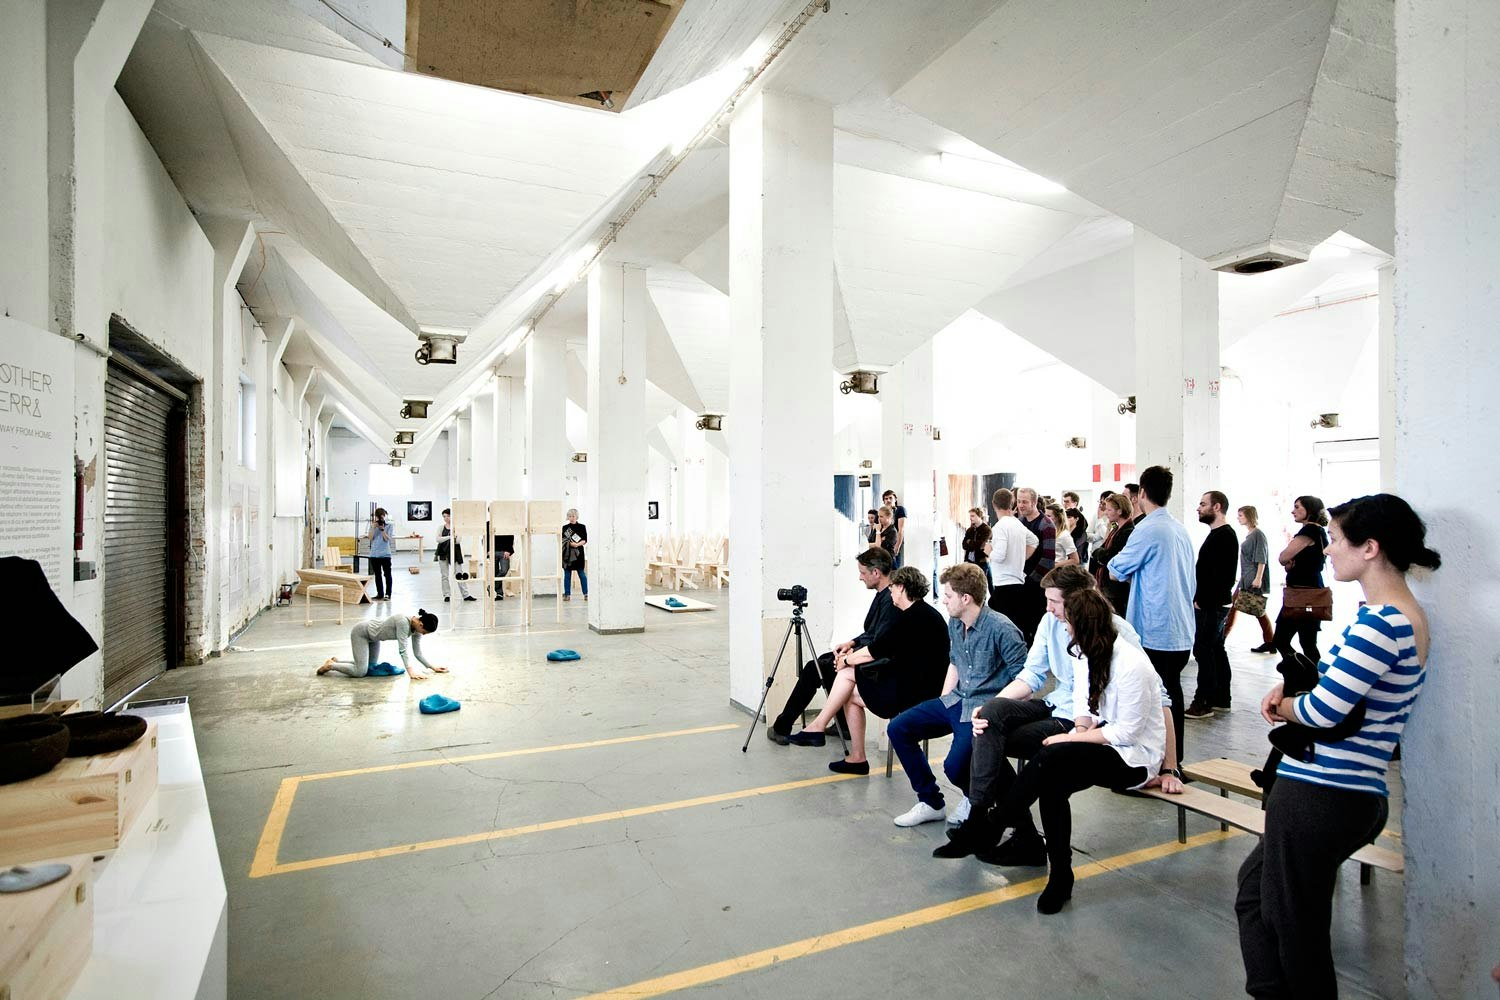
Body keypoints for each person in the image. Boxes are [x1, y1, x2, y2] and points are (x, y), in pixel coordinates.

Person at [1236, 494, 1438, 998]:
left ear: (1370, 548)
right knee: (1257, 896)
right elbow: (1332, 683)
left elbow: (1324, 711)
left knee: (1294, 928)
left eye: (1336, 541)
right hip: (1335, 792)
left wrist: (1287, 707)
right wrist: (1294, 688)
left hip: (1323, 793)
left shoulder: (1384, 622)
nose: (1327, 550)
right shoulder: (1394, 617)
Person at [936, 564, 1183, 865]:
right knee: (992, 717)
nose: (1048, 608)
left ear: (1077, 601)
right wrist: (991, 705)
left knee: (996, 746)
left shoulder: (1115, 632)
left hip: (1083, 721)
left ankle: (1003, 830)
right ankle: (987, 821)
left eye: (1053, 601)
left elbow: (1160, 699)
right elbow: (1031, 675)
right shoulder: (1051, 622)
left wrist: (1170, 768)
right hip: (1059, 705)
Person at [886, 563, 1026, 828]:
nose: (944, 600)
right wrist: (942, 701)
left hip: (982, 709)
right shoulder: (955, 621)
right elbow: (955, 661)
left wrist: (996, 710)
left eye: (948, 595)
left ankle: (976, 799)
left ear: (966, 598)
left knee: (954, 767)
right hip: (956, 700)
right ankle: (931, 802)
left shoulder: (1002, 629)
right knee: (898, 728)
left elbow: (1025, 680)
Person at [783, 567, 949, 775]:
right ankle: (847, 751)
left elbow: (876, 650)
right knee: (849, 689)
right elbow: (883, 648)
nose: (890, 592)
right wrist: (849, 658)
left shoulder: (910, 618)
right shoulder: (923, 613)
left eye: (892, 588)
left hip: (914, 694)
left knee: (847, 676)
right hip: (914, 685)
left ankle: (826, 733)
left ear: (901, 587)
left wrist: (845, 660)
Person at [1107, 465, 1196, 758]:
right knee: (1171, 692)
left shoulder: (1148, 529)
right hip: (1180, 627)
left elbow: (1116, 569)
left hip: (1156, 628)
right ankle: (1173, 758)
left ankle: (1162, 762)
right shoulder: (1179, 528)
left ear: (1141, 493)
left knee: (1156, 698)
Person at [767, 547, 896, 744]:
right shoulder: (884, 595)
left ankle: (782, 727)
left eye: (863, 573)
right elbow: (873, 632)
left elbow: (880, 642)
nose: (860, 577)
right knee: (824, 665)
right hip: (869, 652)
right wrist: (852, 643)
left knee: (814, 668)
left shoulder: (889, 599)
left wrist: (850, 655)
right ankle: (843, 725)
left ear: (876, 573)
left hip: (877, 663)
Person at [1255, 496, 1329, 662]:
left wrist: (1288, 562)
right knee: (1307, 642)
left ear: (1309, 509)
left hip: (1302, 594)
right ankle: (1307, 672)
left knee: (1284, 640)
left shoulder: (1309, 530)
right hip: (1309, 592)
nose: (1293, 511)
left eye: (1297, 507)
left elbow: (1283, 557)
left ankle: (1304, 672)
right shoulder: (1319, 531)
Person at [1186, 491, 1239, 719]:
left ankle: (1203, 702)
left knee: (1204, 650)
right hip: (1213, 603)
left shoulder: (1224, 535)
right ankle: (1221, 698)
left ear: (1216, 507)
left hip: (1211, 604)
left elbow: (1222, 576)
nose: (1198, 508)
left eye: (1203, 504)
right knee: (1215, 649)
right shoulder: (1219, 534)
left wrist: (1201, 601)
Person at [317, 610, 444, 679]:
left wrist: (432, 667)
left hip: (374, 639)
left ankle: (337, 661)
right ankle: (331, 665)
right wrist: (411, 672)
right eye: (425, 632)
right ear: (421, 624)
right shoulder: (403, 622)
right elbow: (403, 649)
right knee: (360, 672)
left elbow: (418, 652)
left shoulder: (416, 629)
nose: (423, 634)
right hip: (361, 633)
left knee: (370, 666)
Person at [985, 488, 1036, 628]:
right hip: (1017, 582)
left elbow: (1000, 555)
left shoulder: (999, 527)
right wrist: (1020, 558)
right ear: (1012, 503)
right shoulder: (1017, 524)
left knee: (1003, 627)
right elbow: (1034, 541)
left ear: (994, 504)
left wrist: (989, 551)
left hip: (1004, 584)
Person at [1227, 505, 1274, 648]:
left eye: (1241, 515)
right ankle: (1270, 642)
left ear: (1249, 516)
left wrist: (1258, 578)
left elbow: (1261, 558)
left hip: (1252, 578)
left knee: (1255, 609)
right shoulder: (1251, 534)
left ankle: (1221, 638)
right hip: (1246, 577)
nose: (1238, 518)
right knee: (1251, 609)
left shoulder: (1258, 534)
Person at [1014, 488, 1056, 642]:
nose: (1020, 505)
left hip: (1037, 584)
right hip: (1021, 581)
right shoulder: (1019, 523)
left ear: (1034, 502)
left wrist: (1031, 580)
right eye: (1019, 501)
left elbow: (1048, 559)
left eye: (1024, 502)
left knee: (1037, 626)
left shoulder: (1046, 524)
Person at [1094, 492, 1136, 615]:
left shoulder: (1127, 531)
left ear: (1120, 511)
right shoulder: (1116, 529)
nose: (1106, 512)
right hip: (1107, 585)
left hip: (1117, 589)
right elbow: (1100, 550)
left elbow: (1110, 557)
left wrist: (1102, 554)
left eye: (1109, 510)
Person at [436, 508, 476, 603]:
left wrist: (446, 537)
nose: (446, 518)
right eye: (444, 516)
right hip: (442, 552)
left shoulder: (457, 527)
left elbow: (457, 541)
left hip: (455, 552)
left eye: (448, 516)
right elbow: (438, 539)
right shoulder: (441, 527)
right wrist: (450, 537)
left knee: (459, 573)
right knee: (444, 575)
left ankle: (466, 595)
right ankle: (447, 595)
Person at [961, 507, 993, 589]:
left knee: (981, 586)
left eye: (973, 516)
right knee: (970, 586)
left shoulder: (986, 530)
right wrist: (972, 544)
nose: (970, 518)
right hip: (970, 562)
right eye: (970, 516)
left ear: (979, 516)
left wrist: (969, 542)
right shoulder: (970, 530)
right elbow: (964, 545)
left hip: (981, 562)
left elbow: (980, 545)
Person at [366, 507, 394, 601]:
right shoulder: (373, 526)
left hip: (385, 554)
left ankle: (388, 594)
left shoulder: (389, 526)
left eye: (382, 517)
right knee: (377, 575)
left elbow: (387, 539)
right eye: (378, 517)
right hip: (374, 554)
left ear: (384, 516)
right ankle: (380, 593)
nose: (380, 520)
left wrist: (382, 530)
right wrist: (373, 528)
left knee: (387, 574)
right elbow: (370, 538)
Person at [562, 509, 588, 601]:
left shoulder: (582, 527)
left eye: (573, 516)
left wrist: (577, 544)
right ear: (568, 517)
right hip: (568, 554)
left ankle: (586, 593)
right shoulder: (565, 528)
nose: (572, 518)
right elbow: (563, 540)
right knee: (567, 574)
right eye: (570, 516)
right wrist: (570, 544)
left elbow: (585, 540)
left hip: (579, 553)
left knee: (581, 573)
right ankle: (567, 594)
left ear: (576, 517)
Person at [882, 489, 908, 568]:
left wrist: (897, 547)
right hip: (883, 545)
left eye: (890, 498)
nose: (888, 500)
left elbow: (901, 530)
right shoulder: (881, 512)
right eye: (886, 499)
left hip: (893, 544)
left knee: (894, 569)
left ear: (895, 499)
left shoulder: (899, 510)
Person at [1063, 491, 1090, 564]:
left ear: (1075, 503)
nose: (1065, 504)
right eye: (1064, 501)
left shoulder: (1081, 519)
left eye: (1067, 502)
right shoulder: (1064, 516)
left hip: (1077, 556)